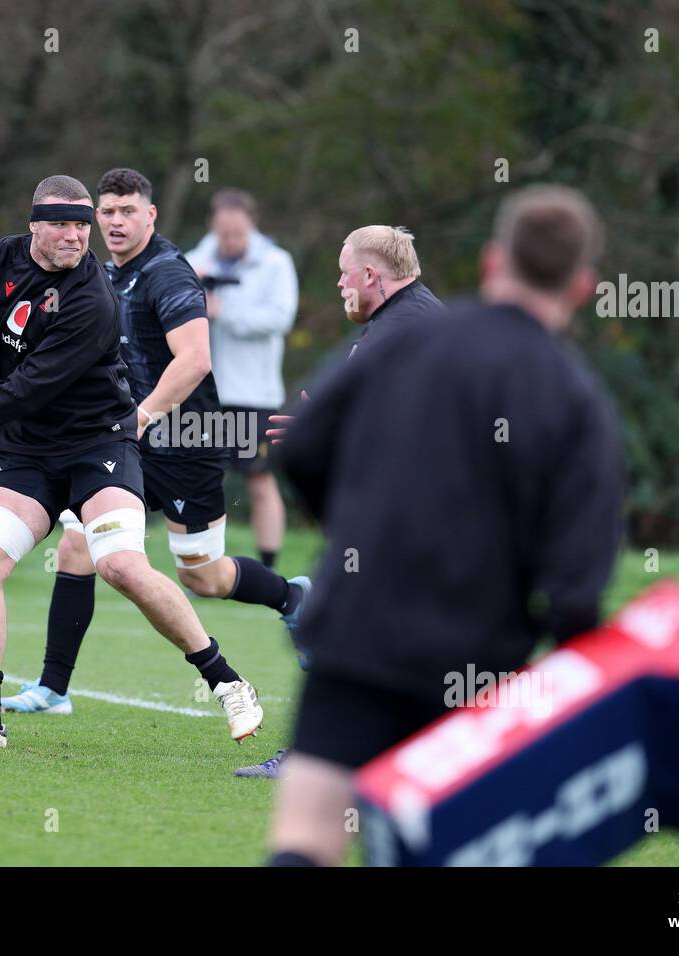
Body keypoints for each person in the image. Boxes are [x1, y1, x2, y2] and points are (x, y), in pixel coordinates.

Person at [0, 174, 263, 748]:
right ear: (33, 224)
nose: (76, 236)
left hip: (98, 444)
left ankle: (226, 681)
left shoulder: (93, 299)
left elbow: (22, 391)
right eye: (62, 223)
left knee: (121, 566)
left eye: (83, 225)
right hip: (28, 452)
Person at [266, 185, 625, 864]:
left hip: (355, 637)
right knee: (435, 847)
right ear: (583, 286)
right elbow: (576, 590)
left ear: (493, 262)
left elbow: (303, 444)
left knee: (309, 840)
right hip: (473, 660)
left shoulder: (412, 341)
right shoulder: (578, 401)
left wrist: (357, 527)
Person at [3, 168, 309, 717]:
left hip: (189, 439)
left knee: (203, 574)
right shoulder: (98, 272)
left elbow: (195, 361)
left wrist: (142, 416)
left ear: (151, 215)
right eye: (108, 212)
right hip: (125, 444)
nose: (116, 222)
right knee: (77, 544)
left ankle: (292, 596)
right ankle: (53, 688)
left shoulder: (167, 274)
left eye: (127, 211)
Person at [234, 224, 446, 778]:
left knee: (327, 616)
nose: (339, 283)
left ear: (371, 275)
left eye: (344, 271)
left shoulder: (399, 331)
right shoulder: (414, 320)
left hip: (413, 520)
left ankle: (324, 754)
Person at [185, 190, 298, 570]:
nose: (230, 241)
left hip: (253, 394)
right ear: (212, 227)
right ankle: (205, 565)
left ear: (252, 225)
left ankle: (268, 567)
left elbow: (279, 319)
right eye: (224, 233)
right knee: (203, 480)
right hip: (203, 391)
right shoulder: (193, 261)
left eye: (237, 234)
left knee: (258, 478)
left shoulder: (275, 264)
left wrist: (224, 311)